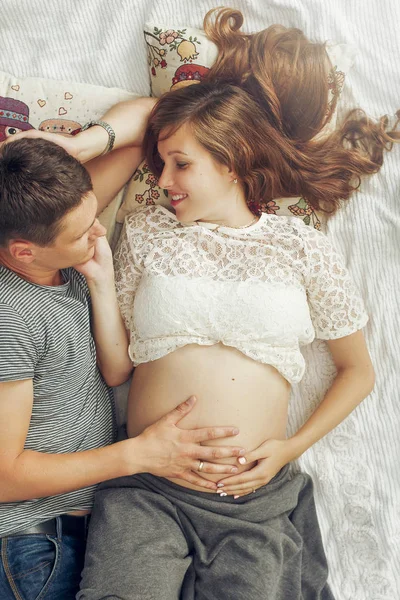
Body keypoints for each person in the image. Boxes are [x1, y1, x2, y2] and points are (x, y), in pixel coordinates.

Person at [74, 9, 398, 598]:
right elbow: (118, 368)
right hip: (149, 486)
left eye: (182, 164)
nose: (166, 179)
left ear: (232, 159)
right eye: (162, 163)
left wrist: (288, 450)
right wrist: (98, 278)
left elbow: (358, 371)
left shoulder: (301, 246)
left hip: (250, 498)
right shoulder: (148, 231)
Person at [0, 136, 249, 600]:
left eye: (94, 213)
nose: (98, 232)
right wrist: (139, 454)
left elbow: (146, 124)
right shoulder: (9, 318)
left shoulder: (60, 232)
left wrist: (77, 145)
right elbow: (4, 476)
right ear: (23, 252)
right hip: (32, 542)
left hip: (93, 527)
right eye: (81, 234)